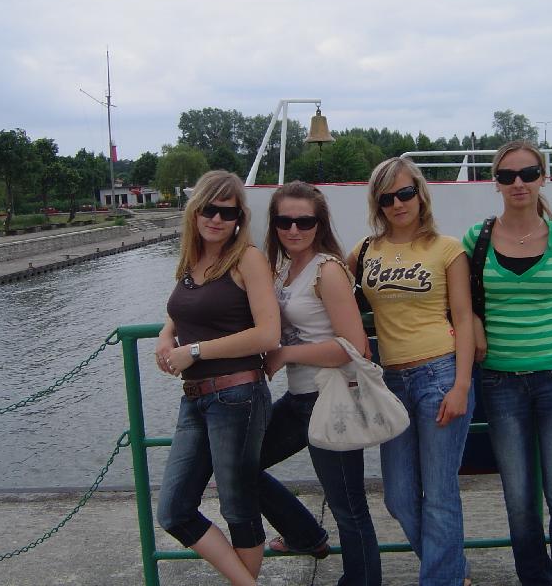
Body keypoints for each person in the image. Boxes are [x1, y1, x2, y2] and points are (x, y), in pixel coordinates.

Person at [462, 141, 552, 586]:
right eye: (507, 176)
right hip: (500, 378)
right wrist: (476, 325)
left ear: (543, 178)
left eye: (527, 174)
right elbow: (461, 298)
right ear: (496, 183)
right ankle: (535, 579)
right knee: (519, 498)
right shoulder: (477, 238)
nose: (518, 183)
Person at [348, 157, 475, 586]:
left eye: (405, 193)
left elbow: (463, 317)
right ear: (377, 204)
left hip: (440, 374)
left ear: (420, 194)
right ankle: (452, 570)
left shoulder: (447, 248)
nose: (398, 204)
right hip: (391, 383)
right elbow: (328, 286)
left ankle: (443, 579)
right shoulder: (365, 251)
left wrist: (461, 386)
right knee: (399, 497)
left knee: (439, 494)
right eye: (387, 198)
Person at [155, 170, 280, 585]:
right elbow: (183, 307)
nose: (216, 219)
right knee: (174, 510)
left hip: (237, 395)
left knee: (238, 507)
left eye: (228, 213)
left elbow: (269, 334)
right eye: (209, 209)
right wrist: (166, 334)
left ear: (239, 218)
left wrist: (193, 351)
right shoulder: (191, 259)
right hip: (195, 398)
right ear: (195, 211)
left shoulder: (248, 259)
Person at [259, 181, 382, 586]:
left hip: (330, 398)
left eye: (305, 221)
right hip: (299, 399)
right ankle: (304, 534)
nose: (294, 229)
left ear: (320, 223)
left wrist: (285, 354)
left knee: (349, 507)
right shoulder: (283, 269)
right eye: (285, 221)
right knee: (239, 466)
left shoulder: (327, 270)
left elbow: (355, 347)